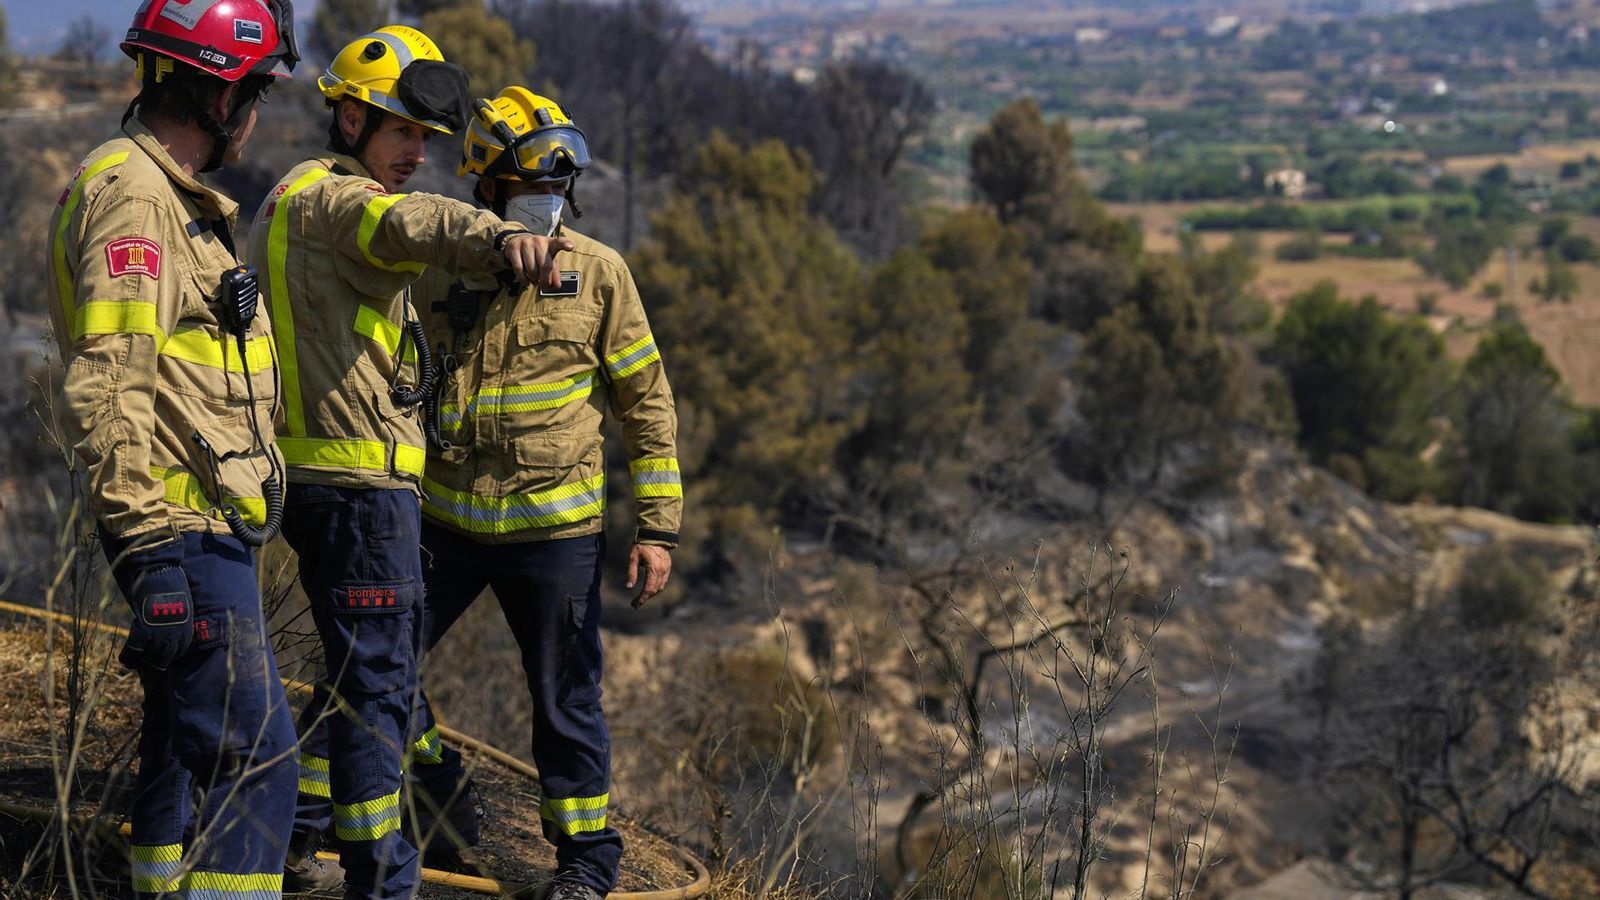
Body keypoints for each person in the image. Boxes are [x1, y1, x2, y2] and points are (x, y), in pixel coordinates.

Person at [245, 26, 571, 899]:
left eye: (426, 141)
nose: (417, 156)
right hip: (358, 494)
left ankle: (305, 852)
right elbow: (408, 222)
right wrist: (498, 237)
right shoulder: (337, 202)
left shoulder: (293, 197)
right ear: (349, 118)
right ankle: (382, 881)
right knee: (378, 692)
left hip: (333, 486)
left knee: (362, 682)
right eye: (402, 134)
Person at [46, 1, 300, 896]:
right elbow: (111, 381)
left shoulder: (165, 197)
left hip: (194, 524)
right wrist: (149, 550)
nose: (260, 111)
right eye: (258, 91)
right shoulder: (138, 199)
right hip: (180, 531)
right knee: (258, 763)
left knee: (182, 742)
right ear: (217, 91)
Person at [408, 86, 684, 900]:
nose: (548, 205)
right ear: (485, 188)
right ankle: (434, 792)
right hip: (443, 521)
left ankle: (586, 864)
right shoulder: (435, 264)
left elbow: (647, 403)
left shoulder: (601, 276)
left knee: (566, 703)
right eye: (530, 189)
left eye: (559, 190)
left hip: (554, 537)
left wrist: (658, 530)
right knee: (374, 663)